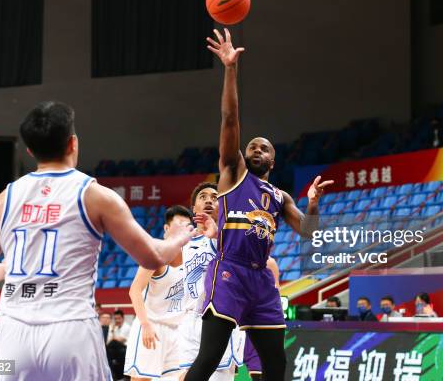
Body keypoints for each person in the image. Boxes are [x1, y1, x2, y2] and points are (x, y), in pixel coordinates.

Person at [0, 101, 193, 381]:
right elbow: (153, 257)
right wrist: (181, 237)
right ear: (73, 143)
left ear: (30, 150)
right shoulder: (95, 194)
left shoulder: (4, 199)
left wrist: (8, 267)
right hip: (69, 328)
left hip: (13, 331)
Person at [184, 29, 333, 381]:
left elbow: (309, 233)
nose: (255, 150)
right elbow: (230, 119)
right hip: (230, 271)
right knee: (209, 358)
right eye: (252, 146)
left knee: (276, 365)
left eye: (264, 148)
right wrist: (230, 69)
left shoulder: (279, 197)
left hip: (261, 278)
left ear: (273, 160)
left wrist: (312, 204)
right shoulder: (234, 172)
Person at [179, 184, 244, 381]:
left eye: (215, 197)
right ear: (193, 208)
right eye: (203, 196)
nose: (208, 200)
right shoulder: (183, 243)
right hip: (190, 320)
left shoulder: (229, 238)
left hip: (219, 319)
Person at [124, 206, 190, 380]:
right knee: (141, 379)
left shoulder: (193, 258)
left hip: (177, 330)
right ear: (166, 229)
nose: (184, 229)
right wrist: (145, 324)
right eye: (180, 224)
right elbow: (135, 290)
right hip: (151, 326)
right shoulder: (156, 254)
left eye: (187, 225)